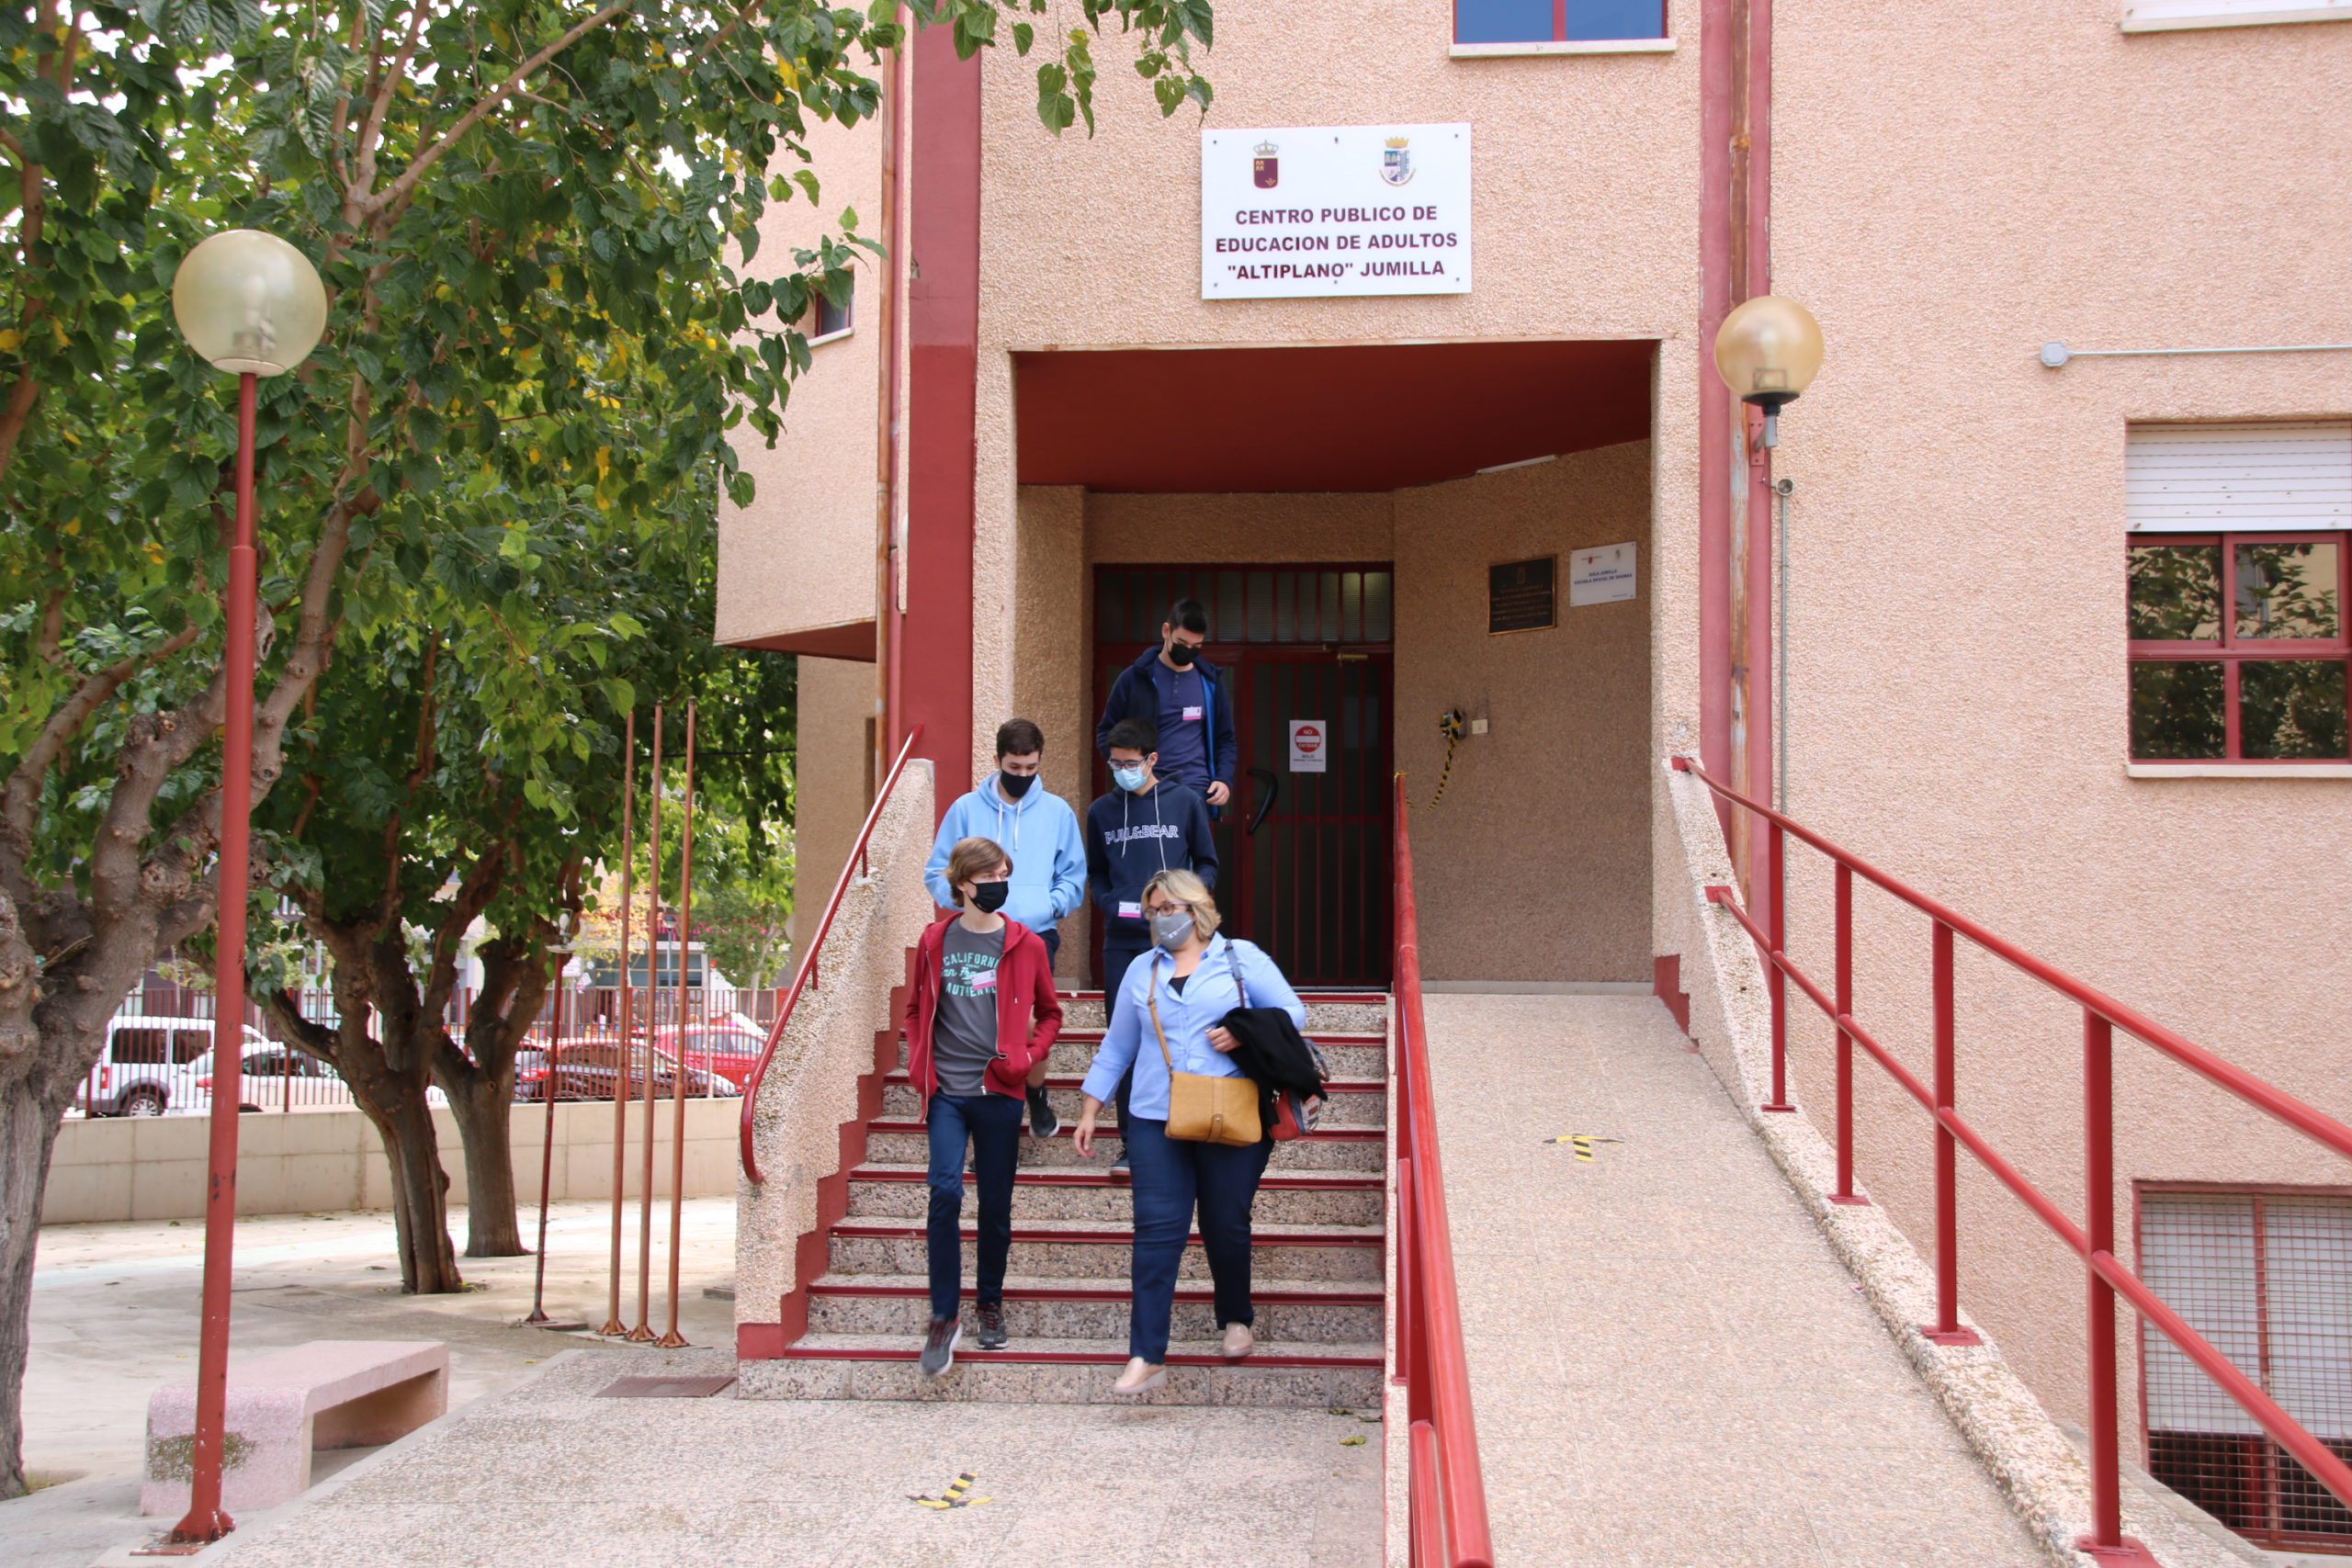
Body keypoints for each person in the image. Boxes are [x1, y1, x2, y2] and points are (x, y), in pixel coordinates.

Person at [1071, 868, 1303, 1394]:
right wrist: (1090, 1108)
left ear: (1196, 910)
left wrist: (1242, 1031)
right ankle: (1147, 1352)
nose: (1159, 920)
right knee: (1156, 1229)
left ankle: (1236, 1318)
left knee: (1225, 1221)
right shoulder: (1141, 969)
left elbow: (1293, 1011)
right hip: (1156, 1116)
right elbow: (1118, 1046)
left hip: (1232, 1108)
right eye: (1153, 911)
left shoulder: (1240, 958)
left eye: (1167, 910)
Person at [903, 837, 1063, 1377]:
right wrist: (918, 1064)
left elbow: (1051, 1013)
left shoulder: (1026, 945)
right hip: (948, 1091)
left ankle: (989, 1300)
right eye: (990, 873)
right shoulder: (933, 940)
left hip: (999, 1091)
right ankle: (944, 1316)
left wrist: (1028, 1056)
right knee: (944, 1190)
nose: (1000, 881)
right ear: (963, 883)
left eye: (1004, 872)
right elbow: (913, 1009)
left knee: (995, 1204)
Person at [924, 718, 1085, 1137]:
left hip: (1033, 935)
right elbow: (936, 873)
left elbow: (1073, 876)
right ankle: (985, 1125)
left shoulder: (1057, 812)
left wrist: (1045, 906)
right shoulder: (965, 809)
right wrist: (967, 902)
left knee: (1030, 1023)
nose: (1024, 778)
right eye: (1015, 769)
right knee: (982, 1026)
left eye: (1031, 769)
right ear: (998, 761)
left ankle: (1034, 1090)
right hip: (976, 933)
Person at [1084, 717, 1217, 1173]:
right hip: (1122, 943)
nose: (1122, 770)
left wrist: (1192, 900)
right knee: (1128, 1039)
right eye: (1115, 763)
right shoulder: (1101, 810)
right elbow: (1096, 871)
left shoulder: (1184, 803)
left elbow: (1207, 861)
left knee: (1187, 1032)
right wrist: (1106, 901)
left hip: (1180, 938)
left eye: (1130, 763)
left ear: (1152, 760)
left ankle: (1196, 1124)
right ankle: (1130, 1143)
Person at [1094, 598, 1237, 810]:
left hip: (1195, 790)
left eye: (1195, 646)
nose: (1188, 651)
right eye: (1182, 643)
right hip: (1143, 790)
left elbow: (1226, 739)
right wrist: (1127, 769)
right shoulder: (1134, 679)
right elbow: (1105, 732)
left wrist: (1224, 779)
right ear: (1166, 631)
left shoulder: (1210, 683)